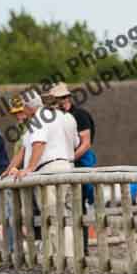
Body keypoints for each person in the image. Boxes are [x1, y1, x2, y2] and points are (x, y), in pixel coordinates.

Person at [5, 91, 78, 256]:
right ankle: (65, 255)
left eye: (23, 106)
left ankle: (64, 257)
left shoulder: (39, 118)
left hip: (48, 170)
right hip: (66, 166)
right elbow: (76, 142)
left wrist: (29, 168)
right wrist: (11, 168)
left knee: (52, 217)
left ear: (28, 106)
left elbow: (38, 144)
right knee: (63, 215)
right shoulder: (62, 117)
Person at [47, 82, 97, 254]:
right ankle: (67, 248)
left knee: (78, 203)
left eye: (59, 98)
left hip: (79, 161)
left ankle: (81, 248)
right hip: (66, 163)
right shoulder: (57, 118)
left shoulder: (79, 115)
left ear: (66, 98)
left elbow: (86, 143)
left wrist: (69, 159)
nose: (57, 102)